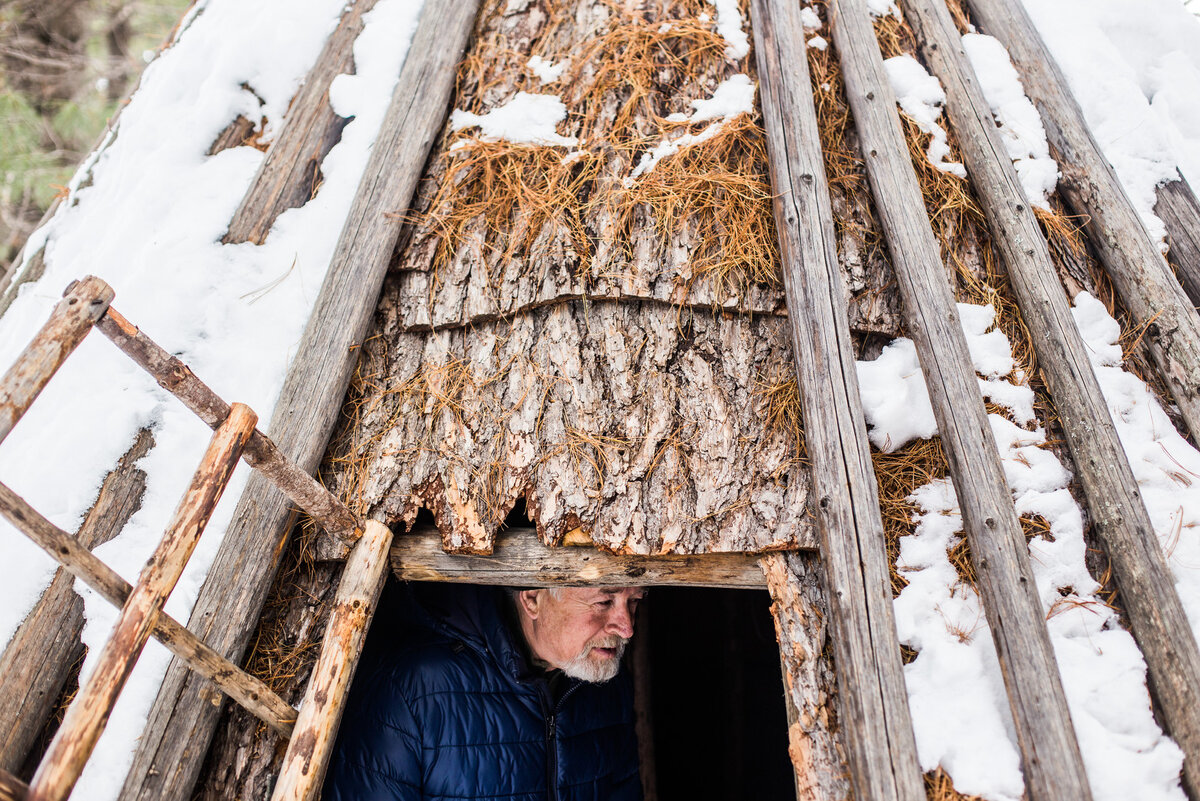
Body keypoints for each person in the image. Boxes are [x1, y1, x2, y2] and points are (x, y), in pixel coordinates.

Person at [323, 582, 646, 801]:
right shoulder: (416, 687)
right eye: (604, 601)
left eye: (633, 601)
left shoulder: (605, 687)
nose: (627, 626)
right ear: (532, 598)